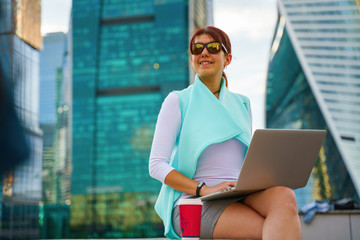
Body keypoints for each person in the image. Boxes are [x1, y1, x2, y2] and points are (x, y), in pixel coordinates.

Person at [149, 26, 301, 239]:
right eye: (197, 48)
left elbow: (244, 161)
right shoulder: (178, 101)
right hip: (195, 202)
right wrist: (204, 189)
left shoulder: (243, 103)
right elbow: (156, 166)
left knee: (284, 195)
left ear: (227, 59)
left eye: (212, 47)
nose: (204, 52)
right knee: (270, 230)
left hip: (240, 193)